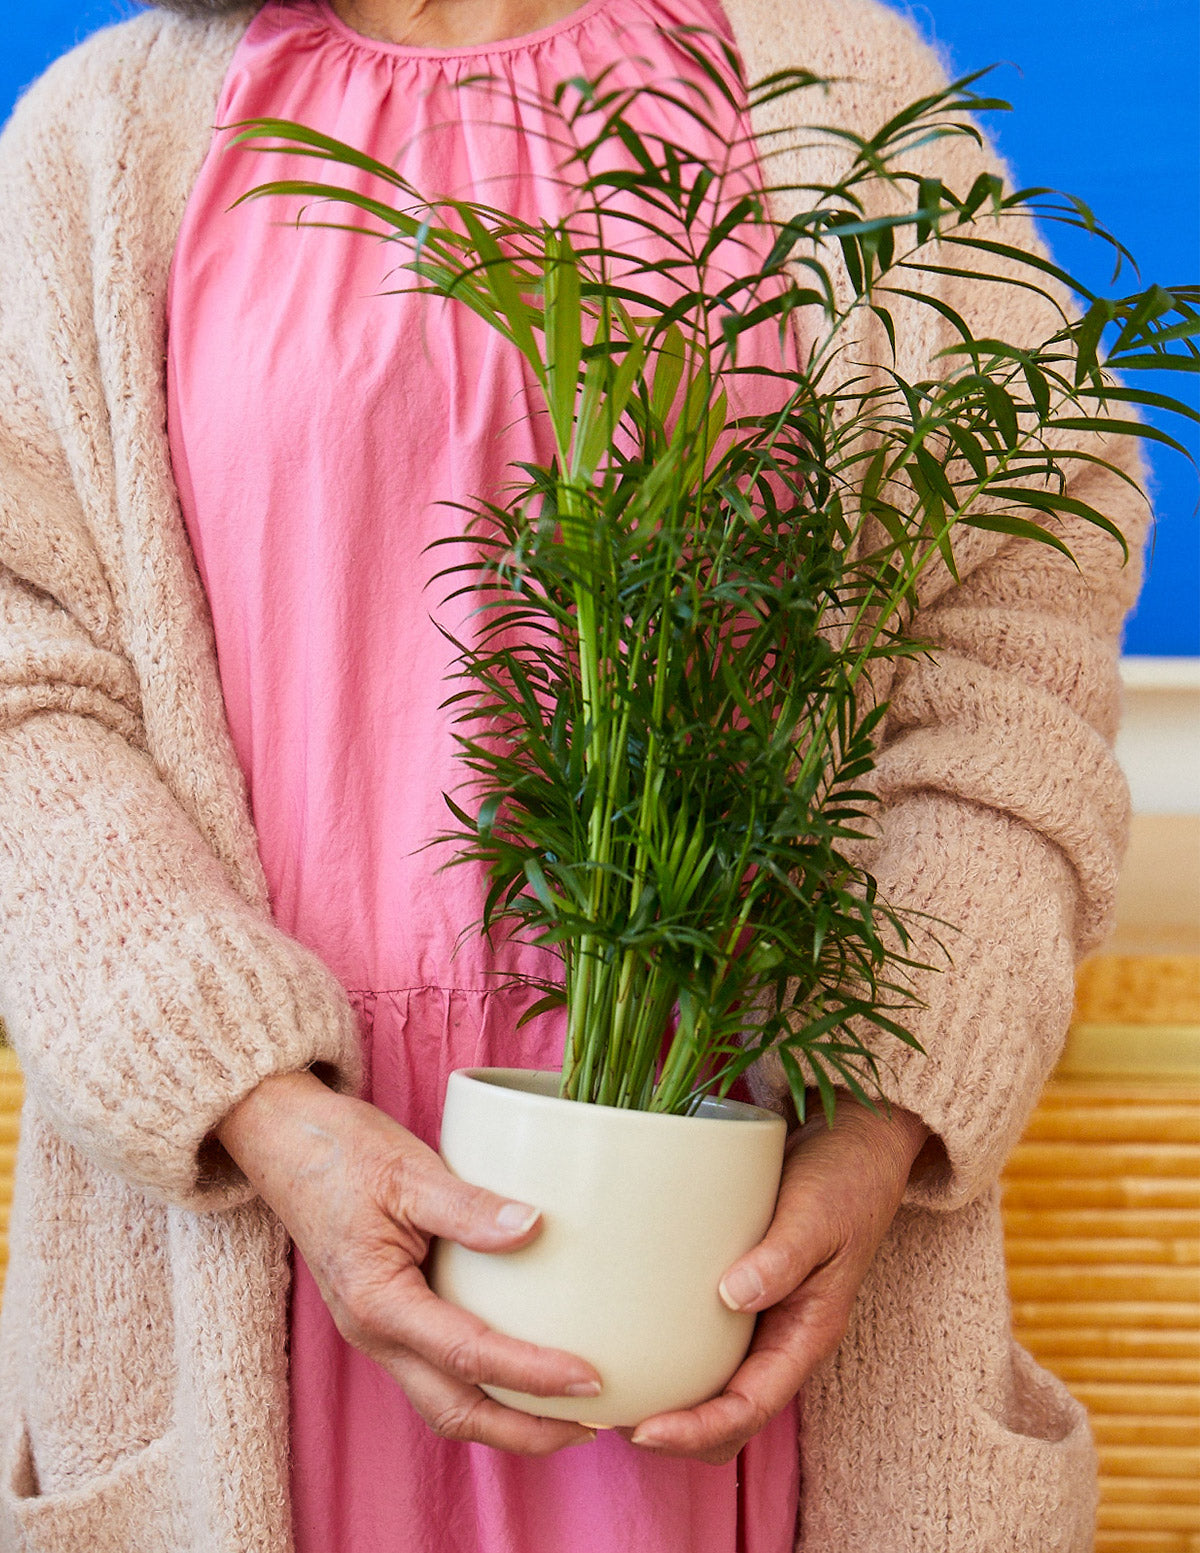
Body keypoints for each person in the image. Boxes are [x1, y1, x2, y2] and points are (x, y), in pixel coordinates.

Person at [0, 0, 1145, 1549]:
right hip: (268, 1247)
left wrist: (884, 1104)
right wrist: (257, 1104)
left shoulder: (836, 92)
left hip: (741, 1218)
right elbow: (20, 687)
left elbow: (1009, 639)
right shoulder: (99, 141)